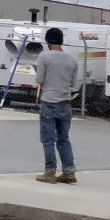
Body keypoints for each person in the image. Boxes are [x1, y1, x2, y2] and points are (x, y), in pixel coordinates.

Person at [34, 27, 79, 184]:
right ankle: (69, 172)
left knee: (48, 140)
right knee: (63, 139)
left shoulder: (44, 56)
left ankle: (50, 172)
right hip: (66, 103)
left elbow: (39, 79)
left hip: (49, 101)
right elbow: (73, 84)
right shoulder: (72, 60)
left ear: (48, 41)